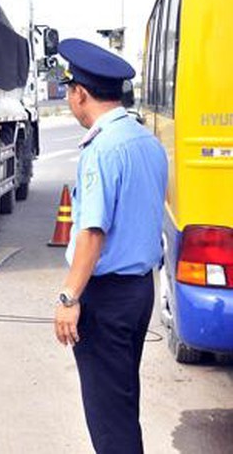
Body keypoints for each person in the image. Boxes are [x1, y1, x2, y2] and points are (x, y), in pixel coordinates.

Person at [53, 38, 168, 454]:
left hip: (107, 298)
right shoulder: (147, 143)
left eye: (68, 92)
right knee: (121, 405)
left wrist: (69, 296)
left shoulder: (102, 150)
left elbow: (92, 233)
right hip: (140, 291)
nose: (69, 100)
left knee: (109, 422)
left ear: (80, 92)